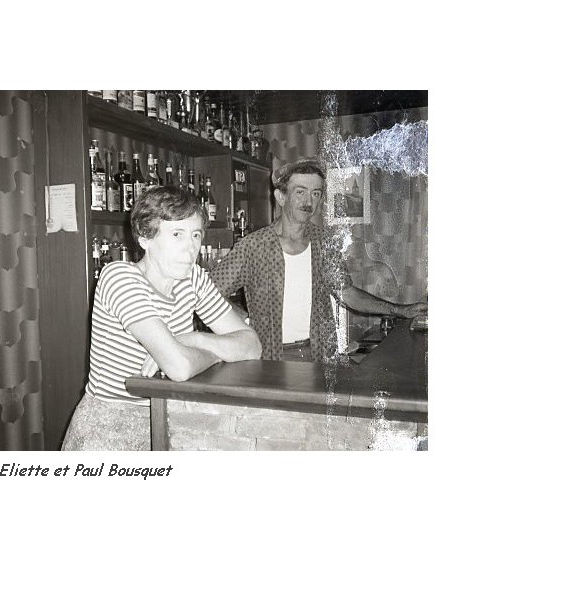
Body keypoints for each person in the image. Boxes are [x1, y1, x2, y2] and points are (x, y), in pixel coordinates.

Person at [62, 185, 261, 450]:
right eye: (177, 234)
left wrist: (192, 339)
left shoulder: (193, 279)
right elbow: (179, 367)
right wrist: (216, 353)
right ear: (145, 237)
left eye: (196, 235)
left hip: (170, 420)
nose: (191, 249)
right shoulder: (119, 278)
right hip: (109, 428)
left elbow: (252, 345)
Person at [210, 159, 427, 363]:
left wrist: (400, 310)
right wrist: (244, 320)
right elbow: (208, 292)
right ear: (281, 197)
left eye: (315, 193)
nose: (308, 202)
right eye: (300, 192)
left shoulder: (323, 242)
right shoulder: (253, 246)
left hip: (319, 355)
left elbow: (347, 293)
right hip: (270, 358)